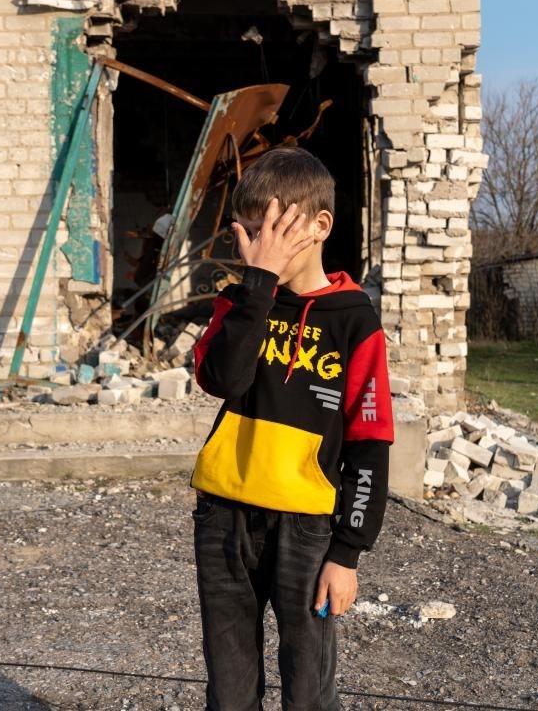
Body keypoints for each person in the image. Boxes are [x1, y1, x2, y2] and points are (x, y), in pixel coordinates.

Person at [190, 147, 394, 711]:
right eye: (249, 234)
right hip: (223, 517)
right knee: (230, 690)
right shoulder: (238, 303)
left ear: (319, 226)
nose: (258, 249)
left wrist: (348, 552)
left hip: (307, 529)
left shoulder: (355, 321)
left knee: (309, 689)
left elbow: (370, 443)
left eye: (272, 232)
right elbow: (223, 380)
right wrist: (256, 286)